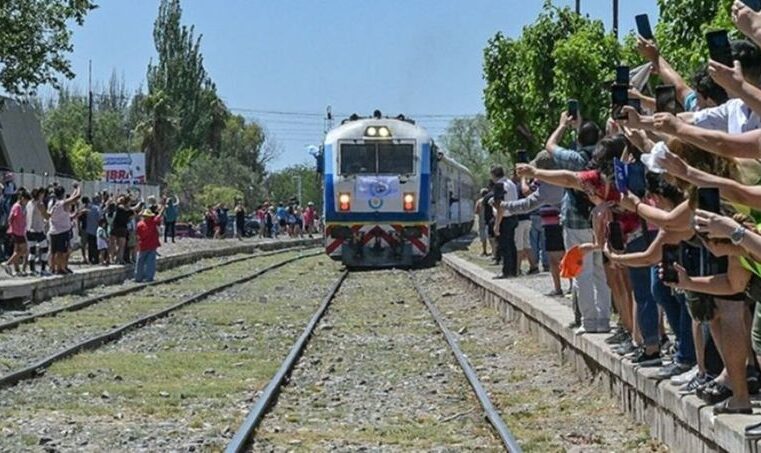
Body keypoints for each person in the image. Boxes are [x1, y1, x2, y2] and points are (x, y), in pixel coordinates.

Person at [490, 165, 519, 279]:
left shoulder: (499, 185)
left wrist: (497, 224)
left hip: (504, 218)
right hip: (513, 216)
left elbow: (500, 207)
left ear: (493, 175)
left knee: (504, 245)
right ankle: (513, 270)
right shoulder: (511, 183)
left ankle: (505, 271)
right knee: (512, 245)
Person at [47, 184, 80, 275]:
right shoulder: (63, 203)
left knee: (53, 251)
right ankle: (60, 268)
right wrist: (78, 188)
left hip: (53, 230)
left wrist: (74, 191)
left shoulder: (53, 203)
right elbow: (77, 197)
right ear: (63, 194)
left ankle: (52, 268)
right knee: (61, 251)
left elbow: (71, 198)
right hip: (62, 231)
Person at [3, 188, 31, 276]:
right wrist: (11, 227)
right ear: (22, 198)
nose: (26, 202)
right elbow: (10, 218)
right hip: (17, 232)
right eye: (26, 200)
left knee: (17, 251)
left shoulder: (20, 207)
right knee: (24, 250)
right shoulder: (17, 207)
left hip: (20, 231)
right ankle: (7, 263)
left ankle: (15, 268)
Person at [135, 202, 165, 283]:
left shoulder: (139, 224)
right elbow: (159, 216)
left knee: (140, 262)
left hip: (143, 245)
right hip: (152, 245)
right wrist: (163, 207)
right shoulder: (153, 221)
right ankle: (149, 277)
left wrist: (137, 245)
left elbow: (137, 236)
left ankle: (138, 277)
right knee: (150, 263)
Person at [84, 196, 101, 264]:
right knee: (96, 245)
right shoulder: (97, 208)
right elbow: (99, 218)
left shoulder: (89, 208)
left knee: (90, 245)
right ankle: (96, 259)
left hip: (89, 229)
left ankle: (90, 259)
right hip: (96, 229)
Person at [475, 188, 491, 256]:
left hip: (481, 220)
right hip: (489, 220)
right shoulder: (490, 200)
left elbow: (476, 211)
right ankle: (493, 251)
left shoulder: (479, 201)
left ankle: (484, 250)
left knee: (483, 237)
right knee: (490, 236)